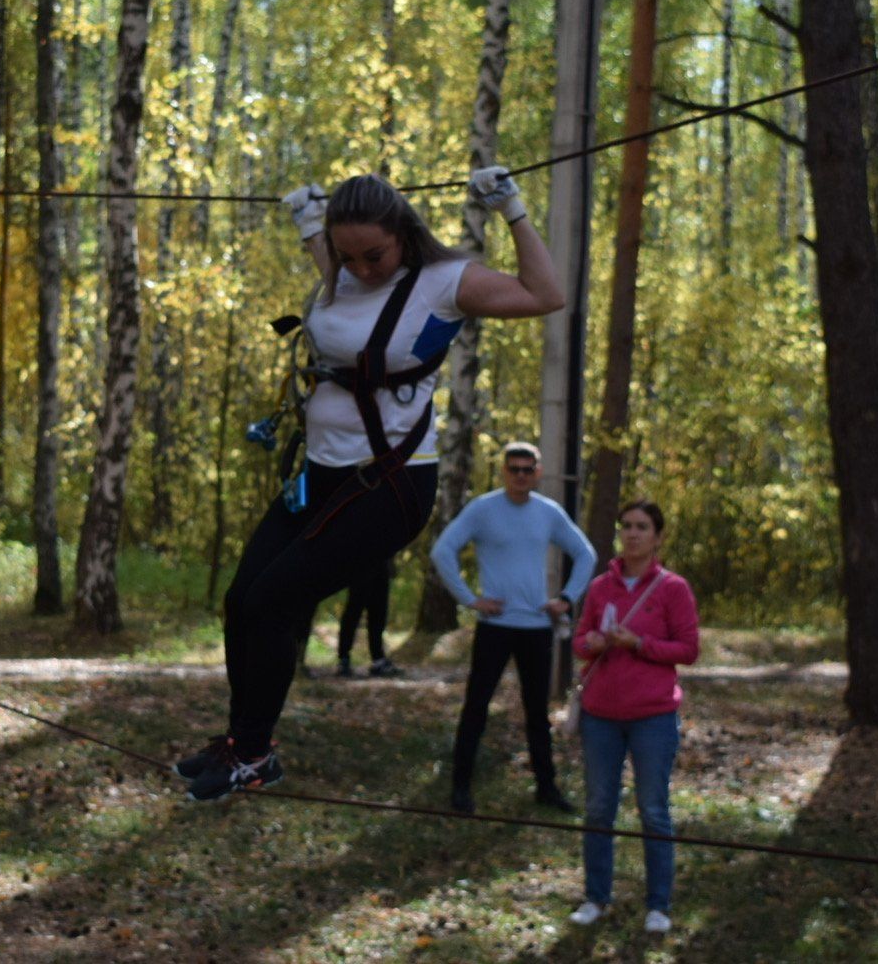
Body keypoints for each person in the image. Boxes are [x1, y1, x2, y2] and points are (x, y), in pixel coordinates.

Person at [173, 166, 565, 802]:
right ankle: (242, 740)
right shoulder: (345, 272)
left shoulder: (443, 282)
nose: (361, 268)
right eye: (346, 254)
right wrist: (309, 223)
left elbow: (546, 295)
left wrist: (513, 211)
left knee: (273, 600)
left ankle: (252, 752)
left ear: (404, 233)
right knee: (242, 598)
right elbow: (343, 284)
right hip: (321, 474)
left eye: (374, 254)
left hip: (388, 486)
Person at [430, 441, 597, 814]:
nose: (520, 476)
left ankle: (546, 788)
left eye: (527, 469)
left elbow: (585, 553)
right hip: (495, 625)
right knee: (476, 706)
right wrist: (470, 599)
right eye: (514, 469)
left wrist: (567, 598)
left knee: (536, 711)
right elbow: (443, 550)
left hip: (537, 627)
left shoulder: (548, 512)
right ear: (504, 471)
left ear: (538, 472)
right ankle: (460, 788)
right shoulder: (483, 509)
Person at [567, 500, 699, 936]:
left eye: (643, 527)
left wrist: (638, 644)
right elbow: (580, 642)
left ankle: (658, 904)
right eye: (627, 526)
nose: (633, 534)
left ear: (658, 537)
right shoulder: (601, 586)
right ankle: (595, 897)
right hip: (600, 714)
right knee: (599, 807)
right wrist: (595, 643)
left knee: (653, 810)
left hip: (652, 716)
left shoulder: (673, 588)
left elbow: (688, 649)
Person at [337, 559, 400, 678]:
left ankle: (378, 659)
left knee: (378, 612)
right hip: (361, 562)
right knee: (354, 611)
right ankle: (343, 659)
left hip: (381, 563)